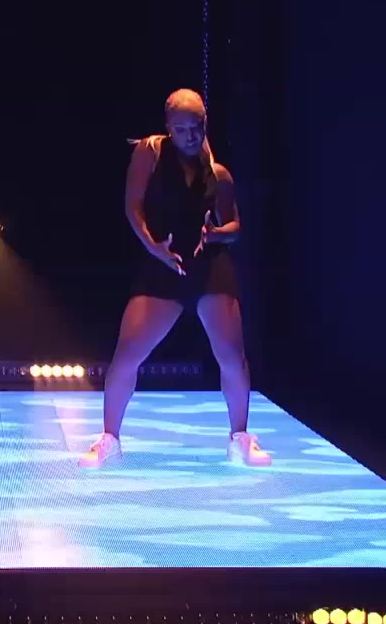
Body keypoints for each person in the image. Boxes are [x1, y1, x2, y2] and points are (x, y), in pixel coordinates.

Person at [80, 88, 271, 469]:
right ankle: (109, 439)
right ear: (168, 126)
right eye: (181, 129)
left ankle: (240, 438)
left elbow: (235, 226)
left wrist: (216, 235)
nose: (189, 136)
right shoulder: (149, 152)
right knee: (127, 354)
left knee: (232, 355)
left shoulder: (218, 173)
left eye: (195, 128)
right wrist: (154, 247)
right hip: (163, 264)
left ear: (205, 124)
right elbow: (132, 207)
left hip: (209, 267)